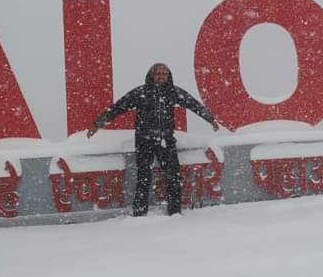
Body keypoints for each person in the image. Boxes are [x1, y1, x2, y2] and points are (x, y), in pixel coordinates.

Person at [87, 63, 223, 216]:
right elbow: (118, 107)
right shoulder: (141, 92)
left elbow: (193, 104)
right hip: (144, 141)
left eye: (164, 74)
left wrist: (210, 119)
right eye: (158, 74)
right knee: (143, 178)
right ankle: (139, 214)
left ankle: (174, 212)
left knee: (174, 177)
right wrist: (97, 124)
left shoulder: (173, 92)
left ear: (168, 76)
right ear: (151, 75)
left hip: (166, 141)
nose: (161, 77)